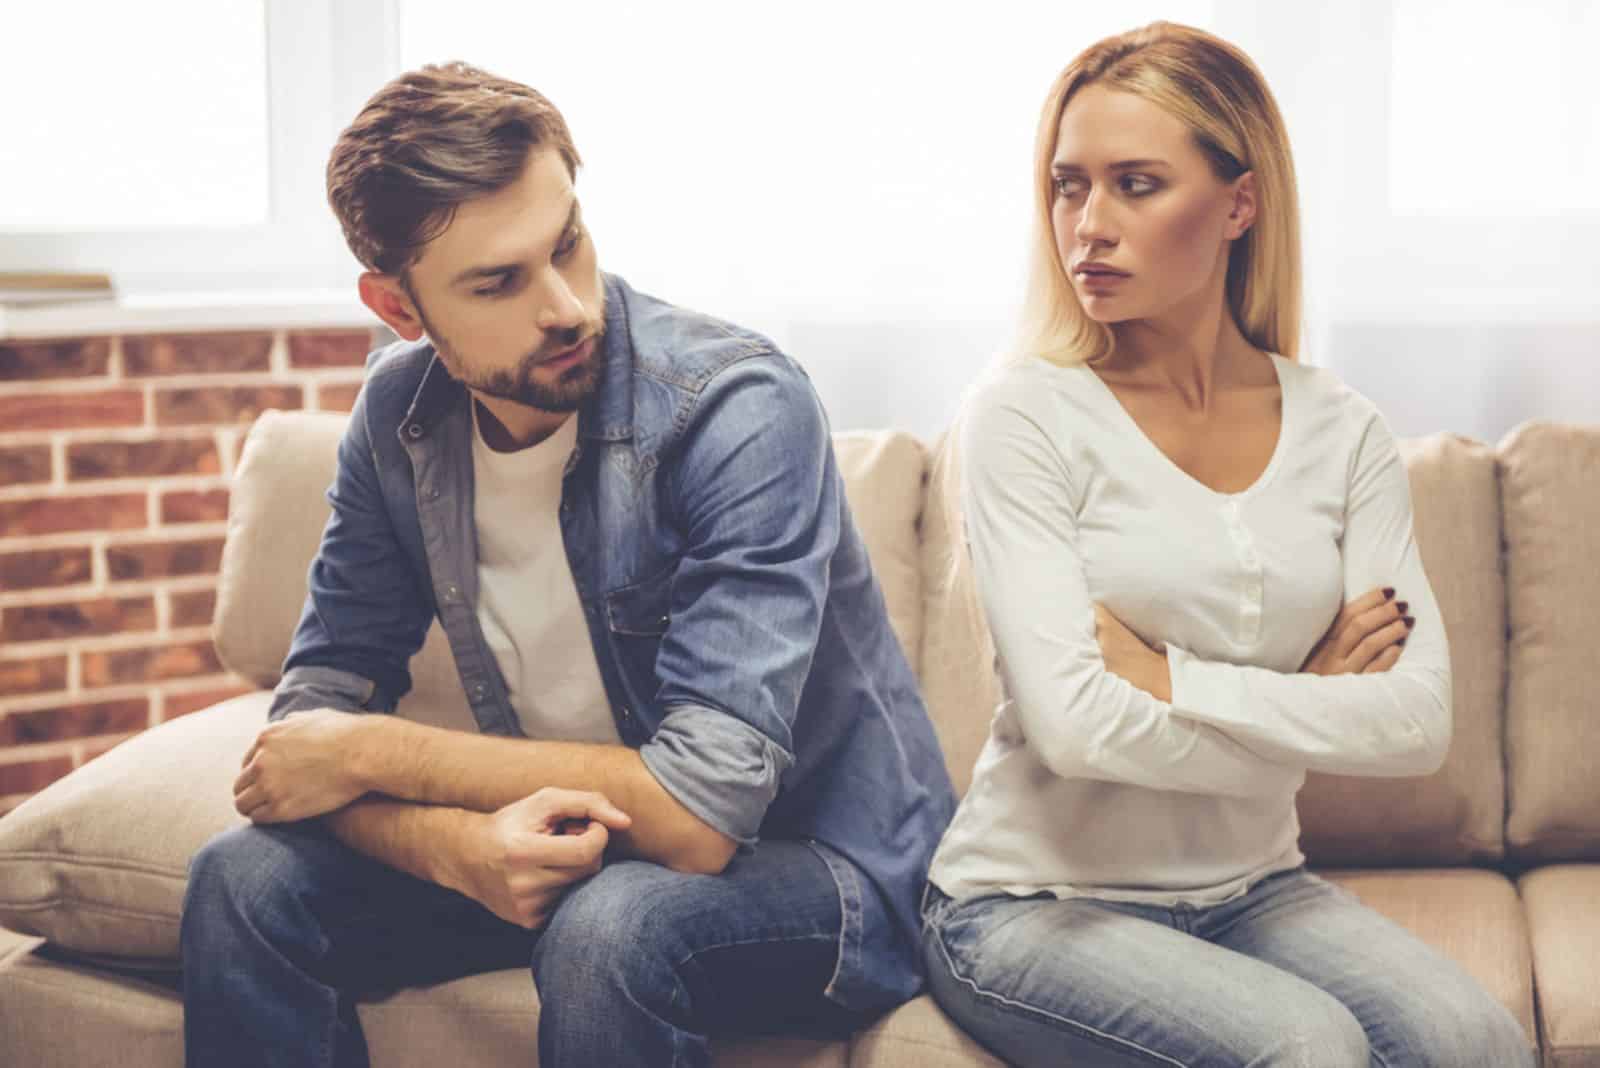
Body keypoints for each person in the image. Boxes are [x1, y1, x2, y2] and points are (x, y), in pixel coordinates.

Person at [179, 61, 955, 1068]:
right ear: (398, 308)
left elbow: (698, 816)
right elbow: (305, 729)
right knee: (239, 883)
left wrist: (377, 756)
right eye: (499, 281)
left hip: (823, 869)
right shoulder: (398, 419)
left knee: (614, 927)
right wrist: (451, 848)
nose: (565, 307)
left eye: (569, 244)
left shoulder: (736, 408)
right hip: (564, 845)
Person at [920, 21, 1533, 1068]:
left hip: (1255, 889)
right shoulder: (1022, 413)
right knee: (1306, 1048)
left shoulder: (1341, 429)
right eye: (1069, 186)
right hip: (1026, 906)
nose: (1088, 226)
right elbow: (1073, 733)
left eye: (1136, 184)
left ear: (1238, 204)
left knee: (1474, 1038)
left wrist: (1162, 676)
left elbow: (1418, 725)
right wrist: (1309, 695)